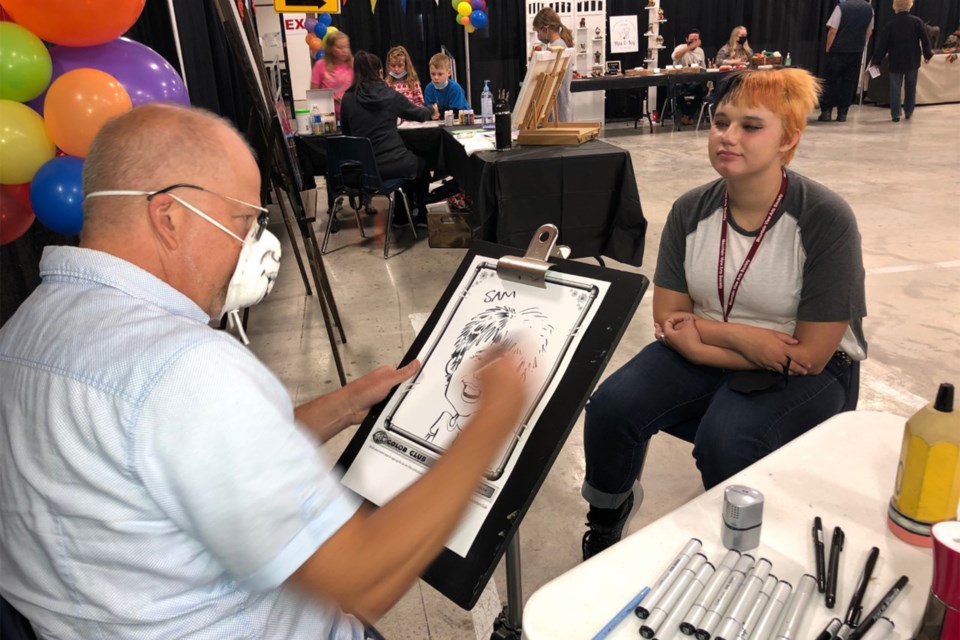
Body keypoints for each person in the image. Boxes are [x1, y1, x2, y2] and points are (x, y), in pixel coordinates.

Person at [0, 103, 530, 638]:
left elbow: (180, 465)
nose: (255, 245)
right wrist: (493, 417)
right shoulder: (183, 367)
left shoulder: (25, 329)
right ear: (169, 218)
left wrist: (345, 405)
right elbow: (363, 576)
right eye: (245, 220)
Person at [579, 68, 866, 560]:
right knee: (610, 407)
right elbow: (669, 317)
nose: (728, 137)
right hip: (727, 349)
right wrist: (741, 341)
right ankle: (606, 517)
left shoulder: (823, 218)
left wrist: (699, 335)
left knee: (728, 439)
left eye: (751, 126)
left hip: (811, 371)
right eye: (721, 122)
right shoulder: (691, 210)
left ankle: (740, 552)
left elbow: (812, 355)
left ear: (788, 139)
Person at [341, 51, 435, 226]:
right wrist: (431, 109)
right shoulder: (389, 95)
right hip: (393, 163)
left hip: (364, 170)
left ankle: (401, 215)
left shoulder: (347, 99)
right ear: (379, 72)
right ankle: (421, 216)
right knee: (420, 166)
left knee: (408, 162)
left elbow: (346, 133)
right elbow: (419, 114)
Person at [870, 0, 933, 122]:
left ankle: (896, 114)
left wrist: (876, 61)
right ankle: (908, 111)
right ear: (910, 5)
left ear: (895, 7)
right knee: (910, 87)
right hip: (912, 60)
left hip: (895, 60)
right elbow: (925, 40)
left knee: (895, 88)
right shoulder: (917, 22)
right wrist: (927, 55)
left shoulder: (890, 24)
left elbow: (882, 45)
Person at [818, 0, 874, 122]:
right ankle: (842, 113)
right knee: (848, 81)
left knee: (831, 81)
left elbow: (833, 30)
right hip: (856, 51)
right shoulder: (869, 9)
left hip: (838, 50)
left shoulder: (841, 7)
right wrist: (861, 45)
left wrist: (828, 47)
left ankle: (826, 112)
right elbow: (869, 31)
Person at [532, 7, 575, 122]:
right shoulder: (561, 45)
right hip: (562, 107)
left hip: (558, 110)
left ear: (545, 29)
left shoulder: (556, 49)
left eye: (538, 31)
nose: (538, 35)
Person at [311, 30, 354, 120]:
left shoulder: (353, 64)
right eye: (340, 47)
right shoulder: (320, 65)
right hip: (328, 115)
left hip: (351, 114)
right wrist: (333, 98)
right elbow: (313, 94)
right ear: (330, 49)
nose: (344, 51)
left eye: (346, 47)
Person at [670, 29, 708, 125]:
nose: (694, 41)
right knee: (676, 89)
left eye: (696, 39)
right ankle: (688, 115)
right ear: (686, 39)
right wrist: (689, 47)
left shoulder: (700, 51)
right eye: (691, 39)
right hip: (680, 80)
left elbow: (703, 67)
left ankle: (687, 115)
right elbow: (675, 57)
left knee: (704, 90)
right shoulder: (680, 48)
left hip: (694, 81)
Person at [423, 52, 470, 118]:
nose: (436, 77)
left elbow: (456, 112)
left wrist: (437, 113)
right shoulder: (429, 88)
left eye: (440, 74)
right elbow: (429, 109)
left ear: (449, 72)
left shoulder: (455, 88)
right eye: (433, 74)